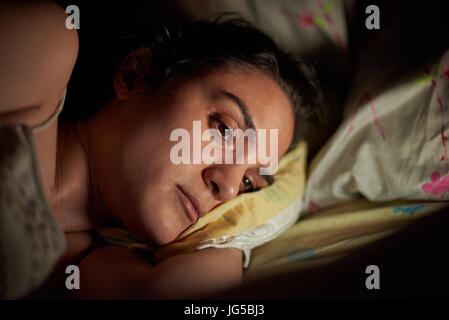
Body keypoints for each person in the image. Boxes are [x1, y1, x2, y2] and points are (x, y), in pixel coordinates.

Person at [0, 1, 320, 299]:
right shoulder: (45, 46)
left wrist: (231, 237)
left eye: (249, 183)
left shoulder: (77, 259)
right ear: (135, 75)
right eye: (224, 129)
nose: (228, 188)